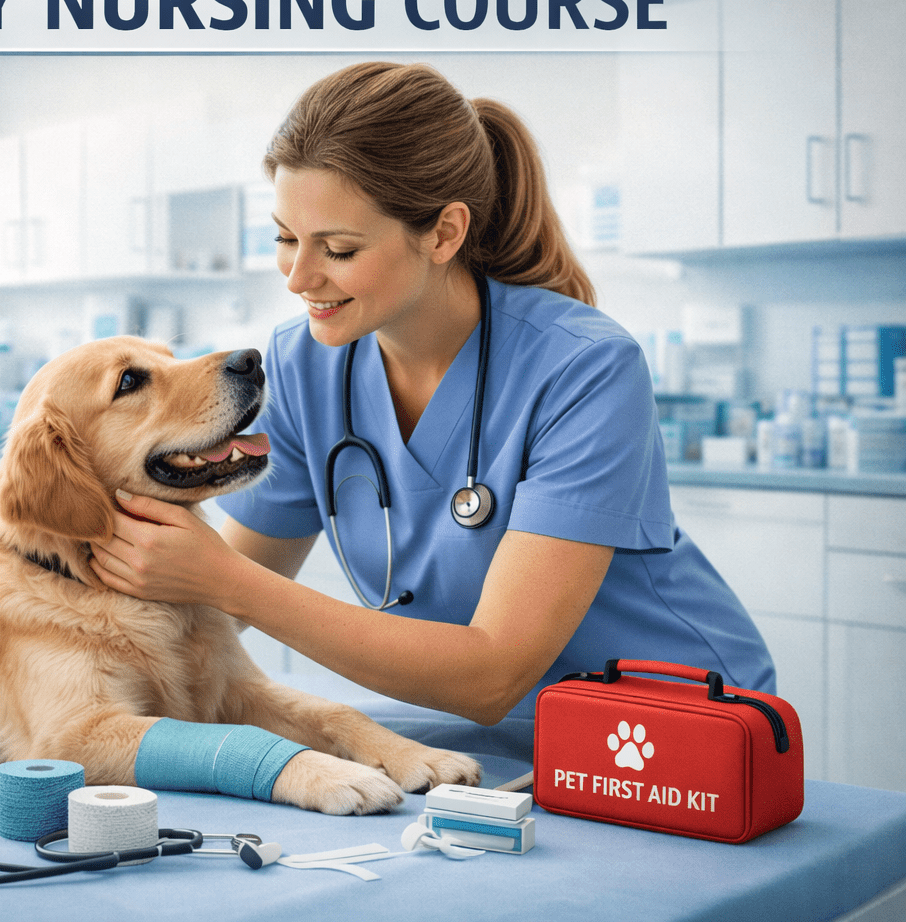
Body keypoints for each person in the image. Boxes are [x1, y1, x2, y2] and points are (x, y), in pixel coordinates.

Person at [88, 61, 774, 726]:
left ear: (444, 233)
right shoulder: (302, 366)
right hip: (480, 731)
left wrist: (225, 580)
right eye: (286, 238)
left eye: (339, 249)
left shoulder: (585, 368)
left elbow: (493, 673)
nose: (297, 278)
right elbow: (207, 603)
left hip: (670, 725)